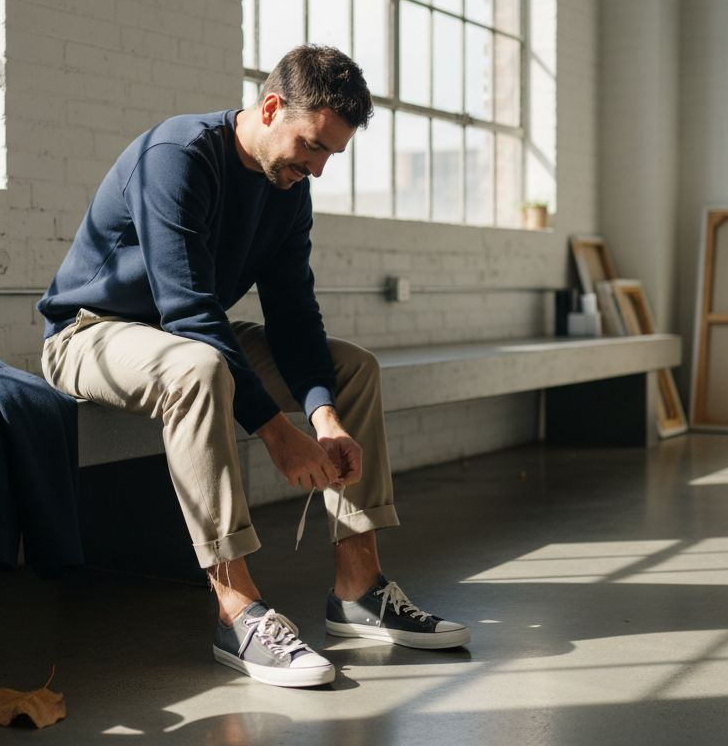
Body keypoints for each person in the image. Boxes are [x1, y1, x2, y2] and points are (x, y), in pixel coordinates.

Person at [36, 45, 469, 688]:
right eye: (311, 146)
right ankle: (236, 610)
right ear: (270, 108)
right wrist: (276, 432)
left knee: (353, 369)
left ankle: (359, 589)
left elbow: (294, 315)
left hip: (180, 337)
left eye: (331, 155)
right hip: (91, 332)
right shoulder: (177, 157)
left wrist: (323, 417)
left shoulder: (288, 187)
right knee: (199, 368)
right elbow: (189, 311)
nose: (317, 168)